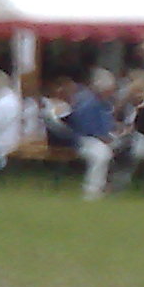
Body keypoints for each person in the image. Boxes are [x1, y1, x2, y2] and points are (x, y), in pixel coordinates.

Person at [62, 70, 116, 199]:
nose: (112, 92)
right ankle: (92, 190)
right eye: (110, 89)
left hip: (102, 138)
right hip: (84, 140)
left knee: (124, 149)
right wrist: (105, 138)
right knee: (102, 154)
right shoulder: (86, 103)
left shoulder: (104, 102)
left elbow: (108, 124)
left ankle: (109, 185)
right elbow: (86, 128)